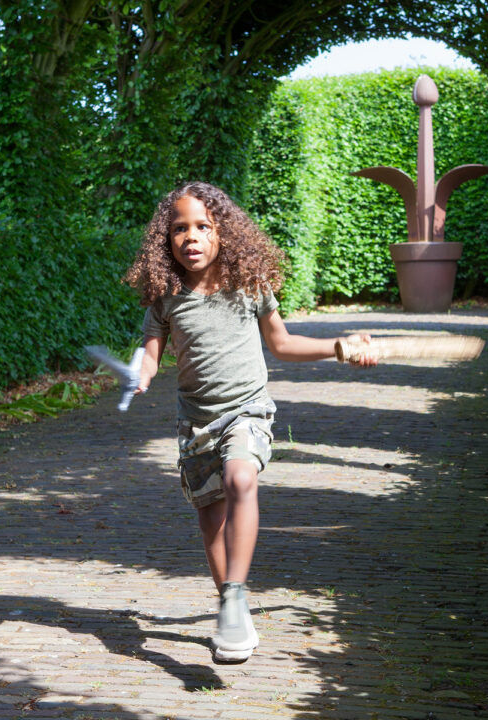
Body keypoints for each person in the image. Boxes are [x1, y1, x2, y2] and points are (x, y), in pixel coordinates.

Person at [124, 181, 376, 663]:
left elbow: (281, 345)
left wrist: (336, 347)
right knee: (210, 520)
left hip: (248, 410)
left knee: (242, 477)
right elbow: (152, 357)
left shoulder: (248, 284)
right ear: (166, 239)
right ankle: (230, 608)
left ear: (225, 233)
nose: (191, 237)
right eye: (179, 229)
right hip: (196, 422)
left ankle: (236, 594)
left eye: (203, 226)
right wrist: (141, 372)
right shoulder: (165, 298)